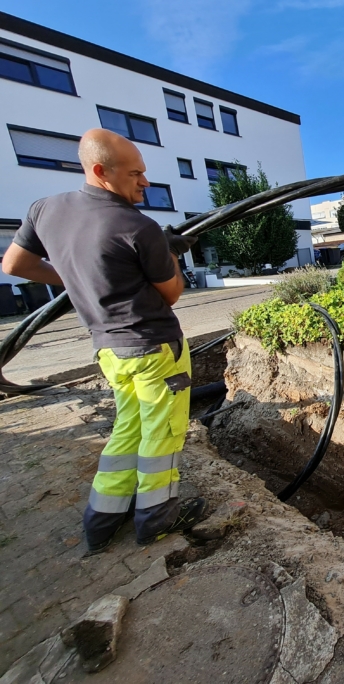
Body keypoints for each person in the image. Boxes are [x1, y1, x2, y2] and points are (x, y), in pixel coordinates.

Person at [2, 128, 207, 554]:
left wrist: (82, 277)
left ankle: (102, 519)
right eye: (135, 174)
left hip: (110, 352)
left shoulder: (46, 210)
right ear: (100, 171)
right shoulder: (138, 226)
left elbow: (14, 263)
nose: (145, 183)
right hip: (155, 350)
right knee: (162, 436)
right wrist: (170, 253)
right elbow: (170, 294)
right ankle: (157, 520)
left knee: (128, 429)